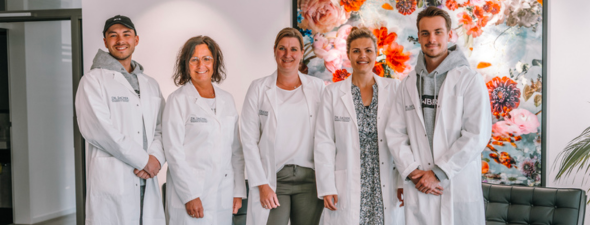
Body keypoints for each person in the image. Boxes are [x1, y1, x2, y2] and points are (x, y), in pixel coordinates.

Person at [385, 6, 492, 225]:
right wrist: (413, 172)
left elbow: (476, 134)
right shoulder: (407, 84)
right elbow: (395, 133)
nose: (431, 38)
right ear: (418, 36)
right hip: (420, 184)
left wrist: (439, 172)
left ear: (449, 34)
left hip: (456, 183)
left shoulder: (469, 79)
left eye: (438, 32)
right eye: (425, 33)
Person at [75, 15, 166, 225]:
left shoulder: (150, 83)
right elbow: (100, 131)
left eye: (126, 34)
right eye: (113, 35)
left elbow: (162, 127)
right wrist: (144, 161)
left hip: (148, 179)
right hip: (115, 181)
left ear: (136, 39)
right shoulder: (92, 80)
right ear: (105, 41)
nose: (120, 40)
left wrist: (156, 159)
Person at [314, 27, 404, 225]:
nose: (362, 55)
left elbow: (404, 139)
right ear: (348, 55)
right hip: (347, 186)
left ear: (376, 53)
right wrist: (327, 186)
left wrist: (401, 181)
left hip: (385, 183)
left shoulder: (395, 89)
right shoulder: (333, 93)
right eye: (356, 51)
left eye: (368, 50)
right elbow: (324, 143)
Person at [240, 27, 325, 225]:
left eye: (294, 49)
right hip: (273, 179)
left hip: (310, 180)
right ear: (274, 51)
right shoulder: (258, 88)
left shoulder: (318, 88)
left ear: (302, 53)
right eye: (282, 48)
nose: (288, 55)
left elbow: (327, 136)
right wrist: (262, 184)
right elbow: (249, 140)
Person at [162, 36, 246, 224]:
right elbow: (173, 152)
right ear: (186, 64)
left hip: (223, 193)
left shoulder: (227, 99)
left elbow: (236, 152)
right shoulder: (177, 100)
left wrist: (238, 191)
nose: (201, 65)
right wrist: (189, 195)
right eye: (194, 59)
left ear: (215, 63)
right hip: (191, 194)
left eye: (207, 59)